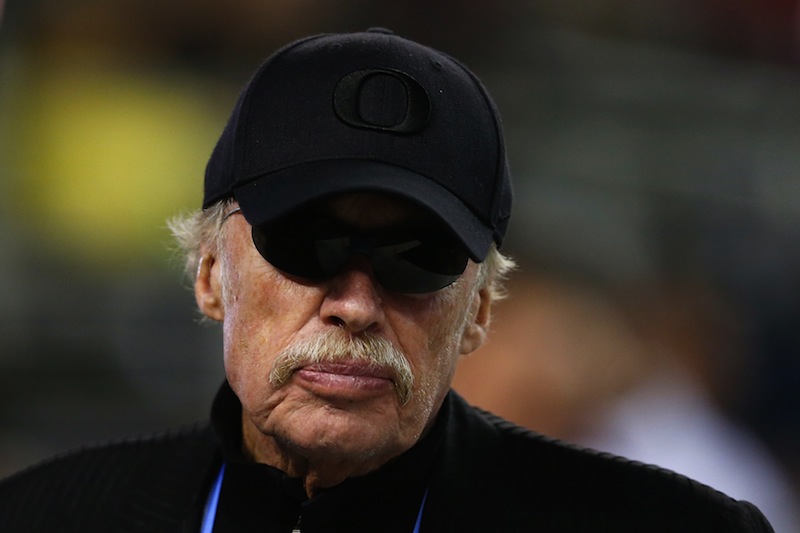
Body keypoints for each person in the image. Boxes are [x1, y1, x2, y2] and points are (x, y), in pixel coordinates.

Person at [0, 28, 774, 532]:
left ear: (479, 309)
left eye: (417, 256)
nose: (355, 303)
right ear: (208, 274)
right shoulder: (43, 517)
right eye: (306, 243)